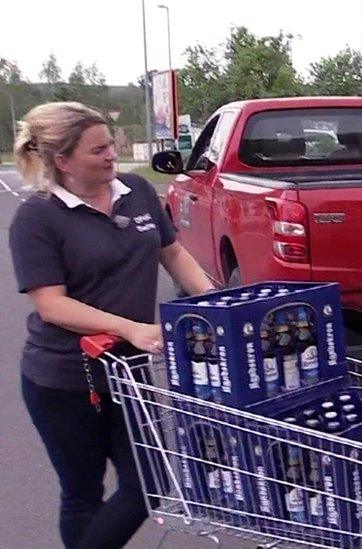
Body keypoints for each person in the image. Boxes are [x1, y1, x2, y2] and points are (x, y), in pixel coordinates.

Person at [9, 102, 215, 549]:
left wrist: (218, 304)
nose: (110, 155)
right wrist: (129, 328)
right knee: (82, 494)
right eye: (98, 149)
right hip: (64, 378)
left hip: (131, 375)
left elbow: (174, 253)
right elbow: (52, 305)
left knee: (150, 485)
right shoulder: (37, 218)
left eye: (111, 145)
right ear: (62, 161)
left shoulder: (137, 190)